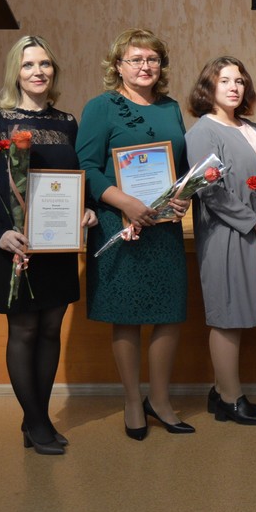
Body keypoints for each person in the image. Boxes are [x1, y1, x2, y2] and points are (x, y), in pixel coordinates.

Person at [0, 36, 98, 455]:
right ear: (15, 73)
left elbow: (83, 176)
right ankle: (38, 423)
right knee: (23, 330)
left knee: (51, 329)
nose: (38, 72)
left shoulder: (68, 123)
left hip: (56, 247)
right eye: (28, 66)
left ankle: (33, 418)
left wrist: (88, 209)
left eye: (44, 64)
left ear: (53, 71)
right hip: (14, 245)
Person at [76, 28, 193, 440]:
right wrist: (125, 204)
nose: (145, 67)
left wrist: (182, 198)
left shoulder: (172, 107)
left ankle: (159, 399)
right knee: (125, 317)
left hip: (162, 226)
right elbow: (86, 167)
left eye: (152, 59)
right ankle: (131, 400)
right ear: (118, 66)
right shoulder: (100, 107)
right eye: (135, 60)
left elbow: (179, 167)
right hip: (119, 224)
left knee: (168, 313)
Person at [187, 57, 256, 425]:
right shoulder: (202, 133)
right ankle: (231, 399)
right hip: (225, 236)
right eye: (224, 80)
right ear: (208, 88)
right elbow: (210, 192)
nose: (234, 87)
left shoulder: (251, 127)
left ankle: (220, 390)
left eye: (239, 80)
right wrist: (255, 222)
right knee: (227, 316)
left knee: (242, 313)